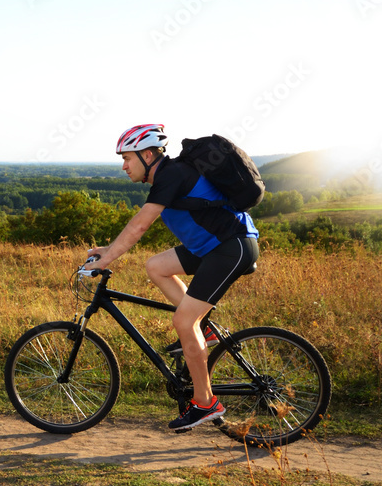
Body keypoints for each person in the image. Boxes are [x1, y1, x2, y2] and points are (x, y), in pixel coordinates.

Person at [83, 123, 259, 431]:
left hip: (231, 247)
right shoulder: (170, 176)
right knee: (156, 266)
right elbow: (136, 227)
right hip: (210, 247)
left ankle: (205, 403)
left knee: (182, 322)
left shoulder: (171, 174)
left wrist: (107, 259)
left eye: (128, 158)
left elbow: (139, 225)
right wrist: (109, 249)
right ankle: (203, 331)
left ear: (148, 155)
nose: (124, 166)